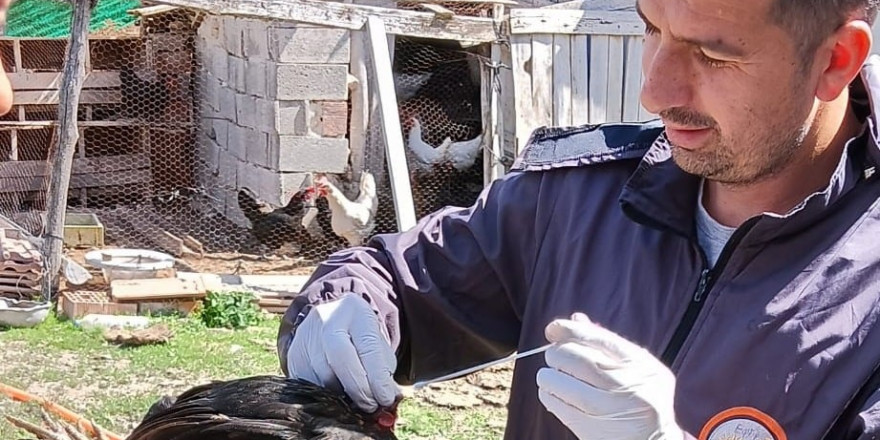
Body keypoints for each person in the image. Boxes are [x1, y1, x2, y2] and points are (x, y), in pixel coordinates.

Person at [277, 0, 880, 438]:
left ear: (836, 59)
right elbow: (394, 277)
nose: (655, 89)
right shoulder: (577, 196)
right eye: (652, 28)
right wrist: (345, 306)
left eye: (712, 54)